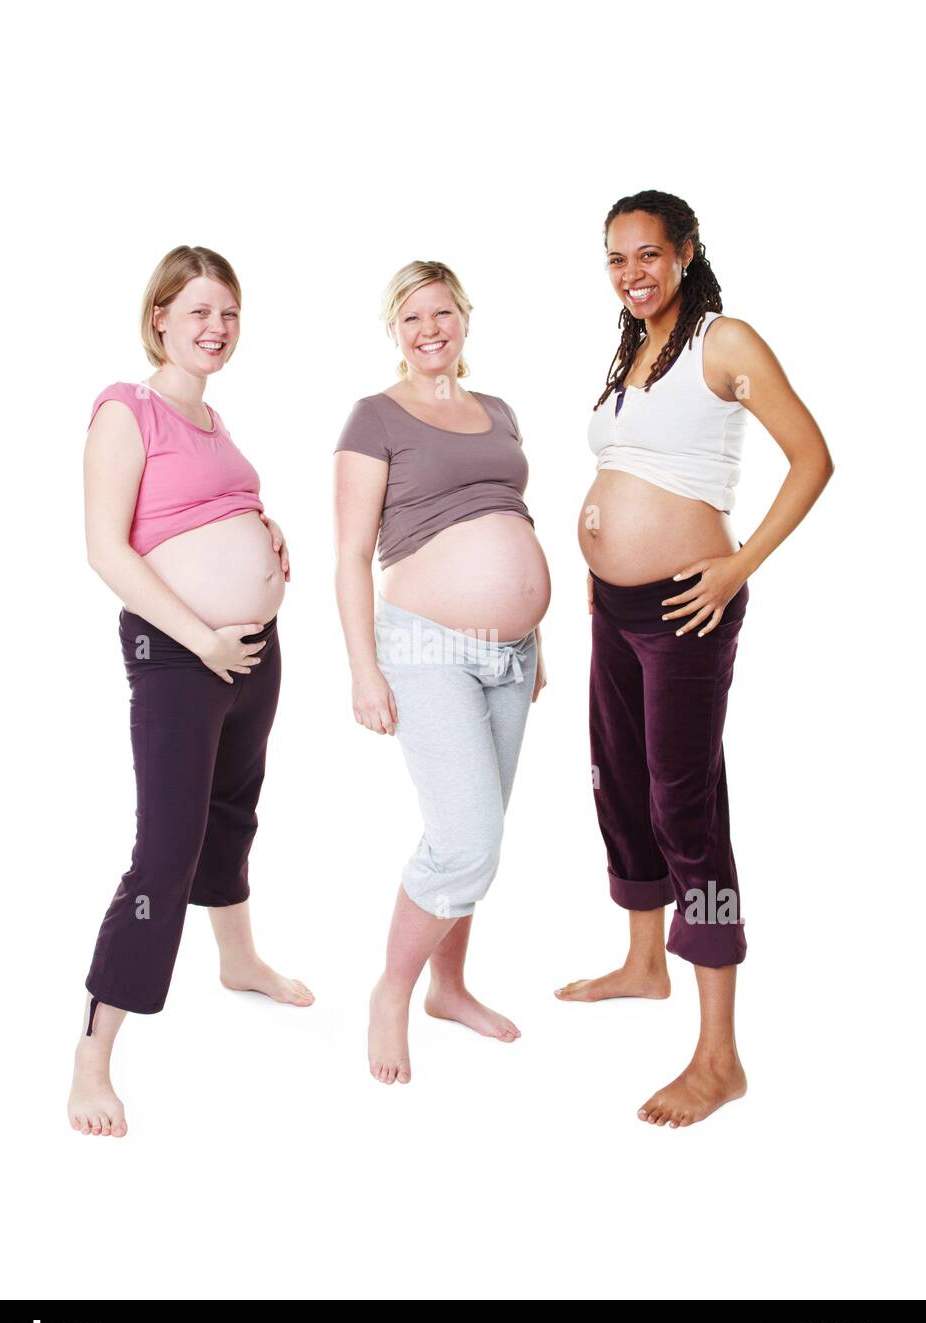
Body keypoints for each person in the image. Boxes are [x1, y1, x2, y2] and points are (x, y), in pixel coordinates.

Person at [557, 191, 834, 1127]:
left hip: (686, 608)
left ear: (683, 254)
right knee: (618, 784)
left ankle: (719, 1057)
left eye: (648, 255)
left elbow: (813, 459)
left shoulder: (725, 341)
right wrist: (597, 563)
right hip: (617, 607)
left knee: (687, 804)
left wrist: (737, 566)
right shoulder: (632, 352)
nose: (632, 273)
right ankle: (643, 964)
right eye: (616, 259)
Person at [68, 245, 312, 1138]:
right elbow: (106, 548)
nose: (217, 329)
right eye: (199, 312)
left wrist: (263, 522)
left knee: (232, 811)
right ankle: (93, 1059)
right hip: (180, 654)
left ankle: (238, 960)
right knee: (163, 853)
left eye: (230, 314)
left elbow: (209, 509)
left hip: (249, 652)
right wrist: (199, 634)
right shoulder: (125, 410)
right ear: (160, 316)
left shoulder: (213, 419)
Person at [333, 260, 551, 1085]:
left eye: (443, 313)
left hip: (512, 653)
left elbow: (509, 515)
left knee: (478, 832)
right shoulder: (374, 418)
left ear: (465, 317)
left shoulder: (498, 411)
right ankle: (394, 990)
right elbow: (352, 553)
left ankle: (449, 987)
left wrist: (537, 634)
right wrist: (363, 668)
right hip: (425, 645)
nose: (431, 329)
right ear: (394, 329)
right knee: (467, 837)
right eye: (413, 317)